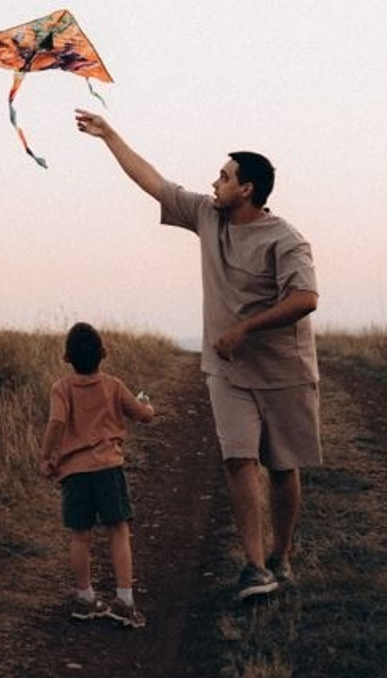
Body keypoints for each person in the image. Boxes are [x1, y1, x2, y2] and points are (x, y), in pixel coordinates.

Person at [75, 110, 320, 601]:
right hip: (227, 373)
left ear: (247, 189)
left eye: (224, 176)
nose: (215, 182)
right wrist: (109, 136)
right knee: (238, 460)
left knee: (283, 467)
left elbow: (305, 299)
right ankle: (254, 567)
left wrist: (246, 328)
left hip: (284, 371)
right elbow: (155, 183)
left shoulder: (286, 240)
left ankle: (281, 556)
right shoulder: (209, 216)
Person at [39, 321, 156, 628]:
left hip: (75, 474)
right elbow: (142, 416)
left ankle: (85, 598)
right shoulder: (114, 386)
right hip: (108, 470)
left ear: (66, 358)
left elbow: (55, 424)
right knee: (118, 531)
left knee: (80, 535)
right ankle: (125, 602)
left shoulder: (61, 388)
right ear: (104, 353)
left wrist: (47, 457)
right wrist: (148, 407)